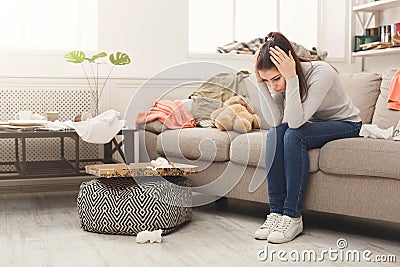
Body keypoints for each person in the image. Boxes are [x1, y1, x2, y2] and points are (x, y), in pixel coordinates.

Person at [253, 32, 362, 244]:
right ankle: (276, 213)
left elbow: (294, 124)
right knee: (275, 135)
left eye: (276, 78)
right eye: (267, 81)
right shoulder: (280, 82)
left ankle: (292, 215)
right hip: (314, 124)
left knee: (294, 136)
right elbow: (276, 122)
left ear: (289, 64)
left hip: (347, 124)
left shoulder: (322, 72)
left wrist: (291, 78)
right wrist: (260, 83)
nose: (274, 86)